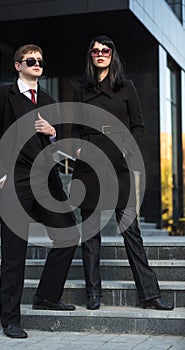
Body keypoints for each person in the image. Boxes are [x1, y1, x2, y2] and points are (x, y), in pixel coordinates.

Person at [0, 44, 79, 339]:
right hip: (14, 179)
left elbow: (56, 147)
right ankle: (10, 319)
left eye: (40, 61)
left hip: (45, 178)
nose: (37, 64)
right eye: (31, 60)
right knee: (13, 253)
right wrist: (0, 175)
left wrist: (53, 133)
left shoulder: (47, 100)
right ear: (18, 65)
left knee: (69, 235)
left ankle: (46, 295)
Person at [70, 35, 174, 311]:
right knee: (90, 233)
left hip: (119, 164)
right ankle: (93, 294)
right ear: (90, 56)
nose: (100, 54)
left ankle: (150, 294)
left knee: (132, 231)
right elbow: (74, 130)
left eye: (106, 50)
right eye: (95, 51)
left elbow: (139, 126)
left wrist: (126, 149)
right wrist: (80, 152)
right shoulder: (80, 88)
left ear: (112, 55)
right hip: (89, 165)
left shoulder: (126, 87)